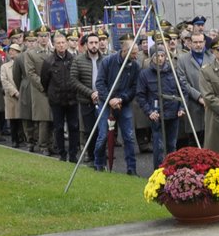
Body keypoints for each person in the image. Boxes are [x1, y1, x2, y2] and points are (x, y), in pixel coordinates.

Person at [42, 30, 93, 162]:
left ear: (66, 44)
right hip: (57, 100)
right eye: (58, 43)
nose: (61, 45)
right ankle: (62, 153)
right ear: (54, 45)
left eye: (63, 42)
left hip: (72, 99)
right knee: (58, 127)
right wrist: (51, 95)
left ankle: (73, 154)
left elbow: (78, 77)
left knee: (74, 127)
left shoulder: (74, 59)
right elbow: (44, 81)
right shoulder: (48, 62)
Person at [93, 37, 141, 175]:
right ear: (124, 51)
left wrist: (121, 99)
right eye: (133, 53)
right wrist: (110, 100)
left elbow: (134, 88)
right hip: (106, 102)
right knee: (103, 135)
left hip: (123, 104)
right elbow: (100, 83)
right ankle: (98, 164)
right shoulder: (108, 61)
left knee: (129, 136)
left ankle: (131, 169)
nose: (135, 56)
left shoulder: (135, 66)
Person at [137, 43, 185, 167]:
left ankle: (172, 171)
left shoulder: (173, 72)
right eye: (157, 56)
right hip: (157, 115)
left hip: (173, 114)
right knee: (158, 147)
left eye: (163, 55)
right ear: (151, 58)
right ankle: (158, 173)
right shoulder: (145, 74)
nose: (160, 58)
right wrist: (149, 111)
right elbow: (140, 96)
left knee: (172, 145)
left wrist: (181, 107)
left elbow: (183, 91)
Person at [20, 33, 56, 154]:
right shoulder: (31, 54)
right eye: (40, 36)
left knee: (53, 118)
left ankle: (51, 144)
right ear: (37, 38)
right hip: (40, 90)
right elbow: (30, 73)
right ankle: (43, 145)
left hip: (54, 89)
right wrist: (44, 86)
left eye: (46, 36)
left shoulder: (53, 51)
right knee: (43, 119)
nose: (43, 38)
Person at [174, 27, 208, 147]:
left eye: (200, 42)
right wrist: (199, 97)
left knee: (209, 142)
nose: (198, 45)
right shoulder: (182, 60)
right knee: (194, 141)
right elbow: (183, 82)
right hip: (192, 105)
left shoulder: (212, 58)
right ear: (190, 43)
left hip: (210, 104)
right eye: (195, 42)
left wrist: (208, 98)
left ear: (204, 42)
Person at [0, 41, 23, 145]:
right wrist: (15, 92)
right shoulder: (4, 66)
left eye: (16, 51)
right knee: (13, 119)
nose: (13, 53)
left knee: (22, 119)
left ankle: (24, 138)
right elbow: (4, 81)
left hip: (22, 94)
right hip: (11, 96)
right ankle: (15, 140)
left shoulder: (23, 65)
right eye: (11, 50)